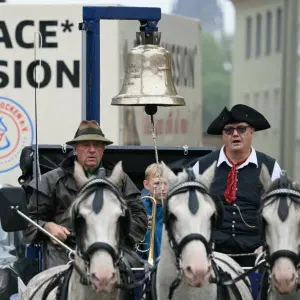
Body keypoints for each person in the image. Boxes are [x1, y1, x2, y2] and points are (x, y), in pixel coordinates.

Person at [23, 120, 148, 269]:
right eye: (86, 145)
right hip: (64, 252)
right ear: (75, 148)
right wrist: (48, 226)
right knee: (57, 286)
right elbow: (29, 222)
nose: (92, 150)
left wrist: (116, 234)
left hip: (113, 250)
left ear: (103, 149)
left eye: (97, 145)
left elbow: (139, 216)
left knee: (139, 279)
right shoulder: (51, 181)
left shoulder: (120, 180)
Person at [195, 104, 281, 267]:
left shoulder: (269, 167)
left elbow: (279, 213)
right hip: (213, 253)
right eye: (229, 130)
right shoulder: (202, 167)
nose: (235, 134)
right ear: (223, 135)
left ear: (251, 132)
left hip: (257, 254)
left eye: (241, 129)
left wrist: (268, 245)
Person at [137, 163, 168, 262]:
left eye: (166, 183)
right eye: (157, 183)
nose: (162, 188)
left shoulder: (176, 209)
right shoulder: (139, 209)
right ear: (146, 184)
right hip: (144, 266)